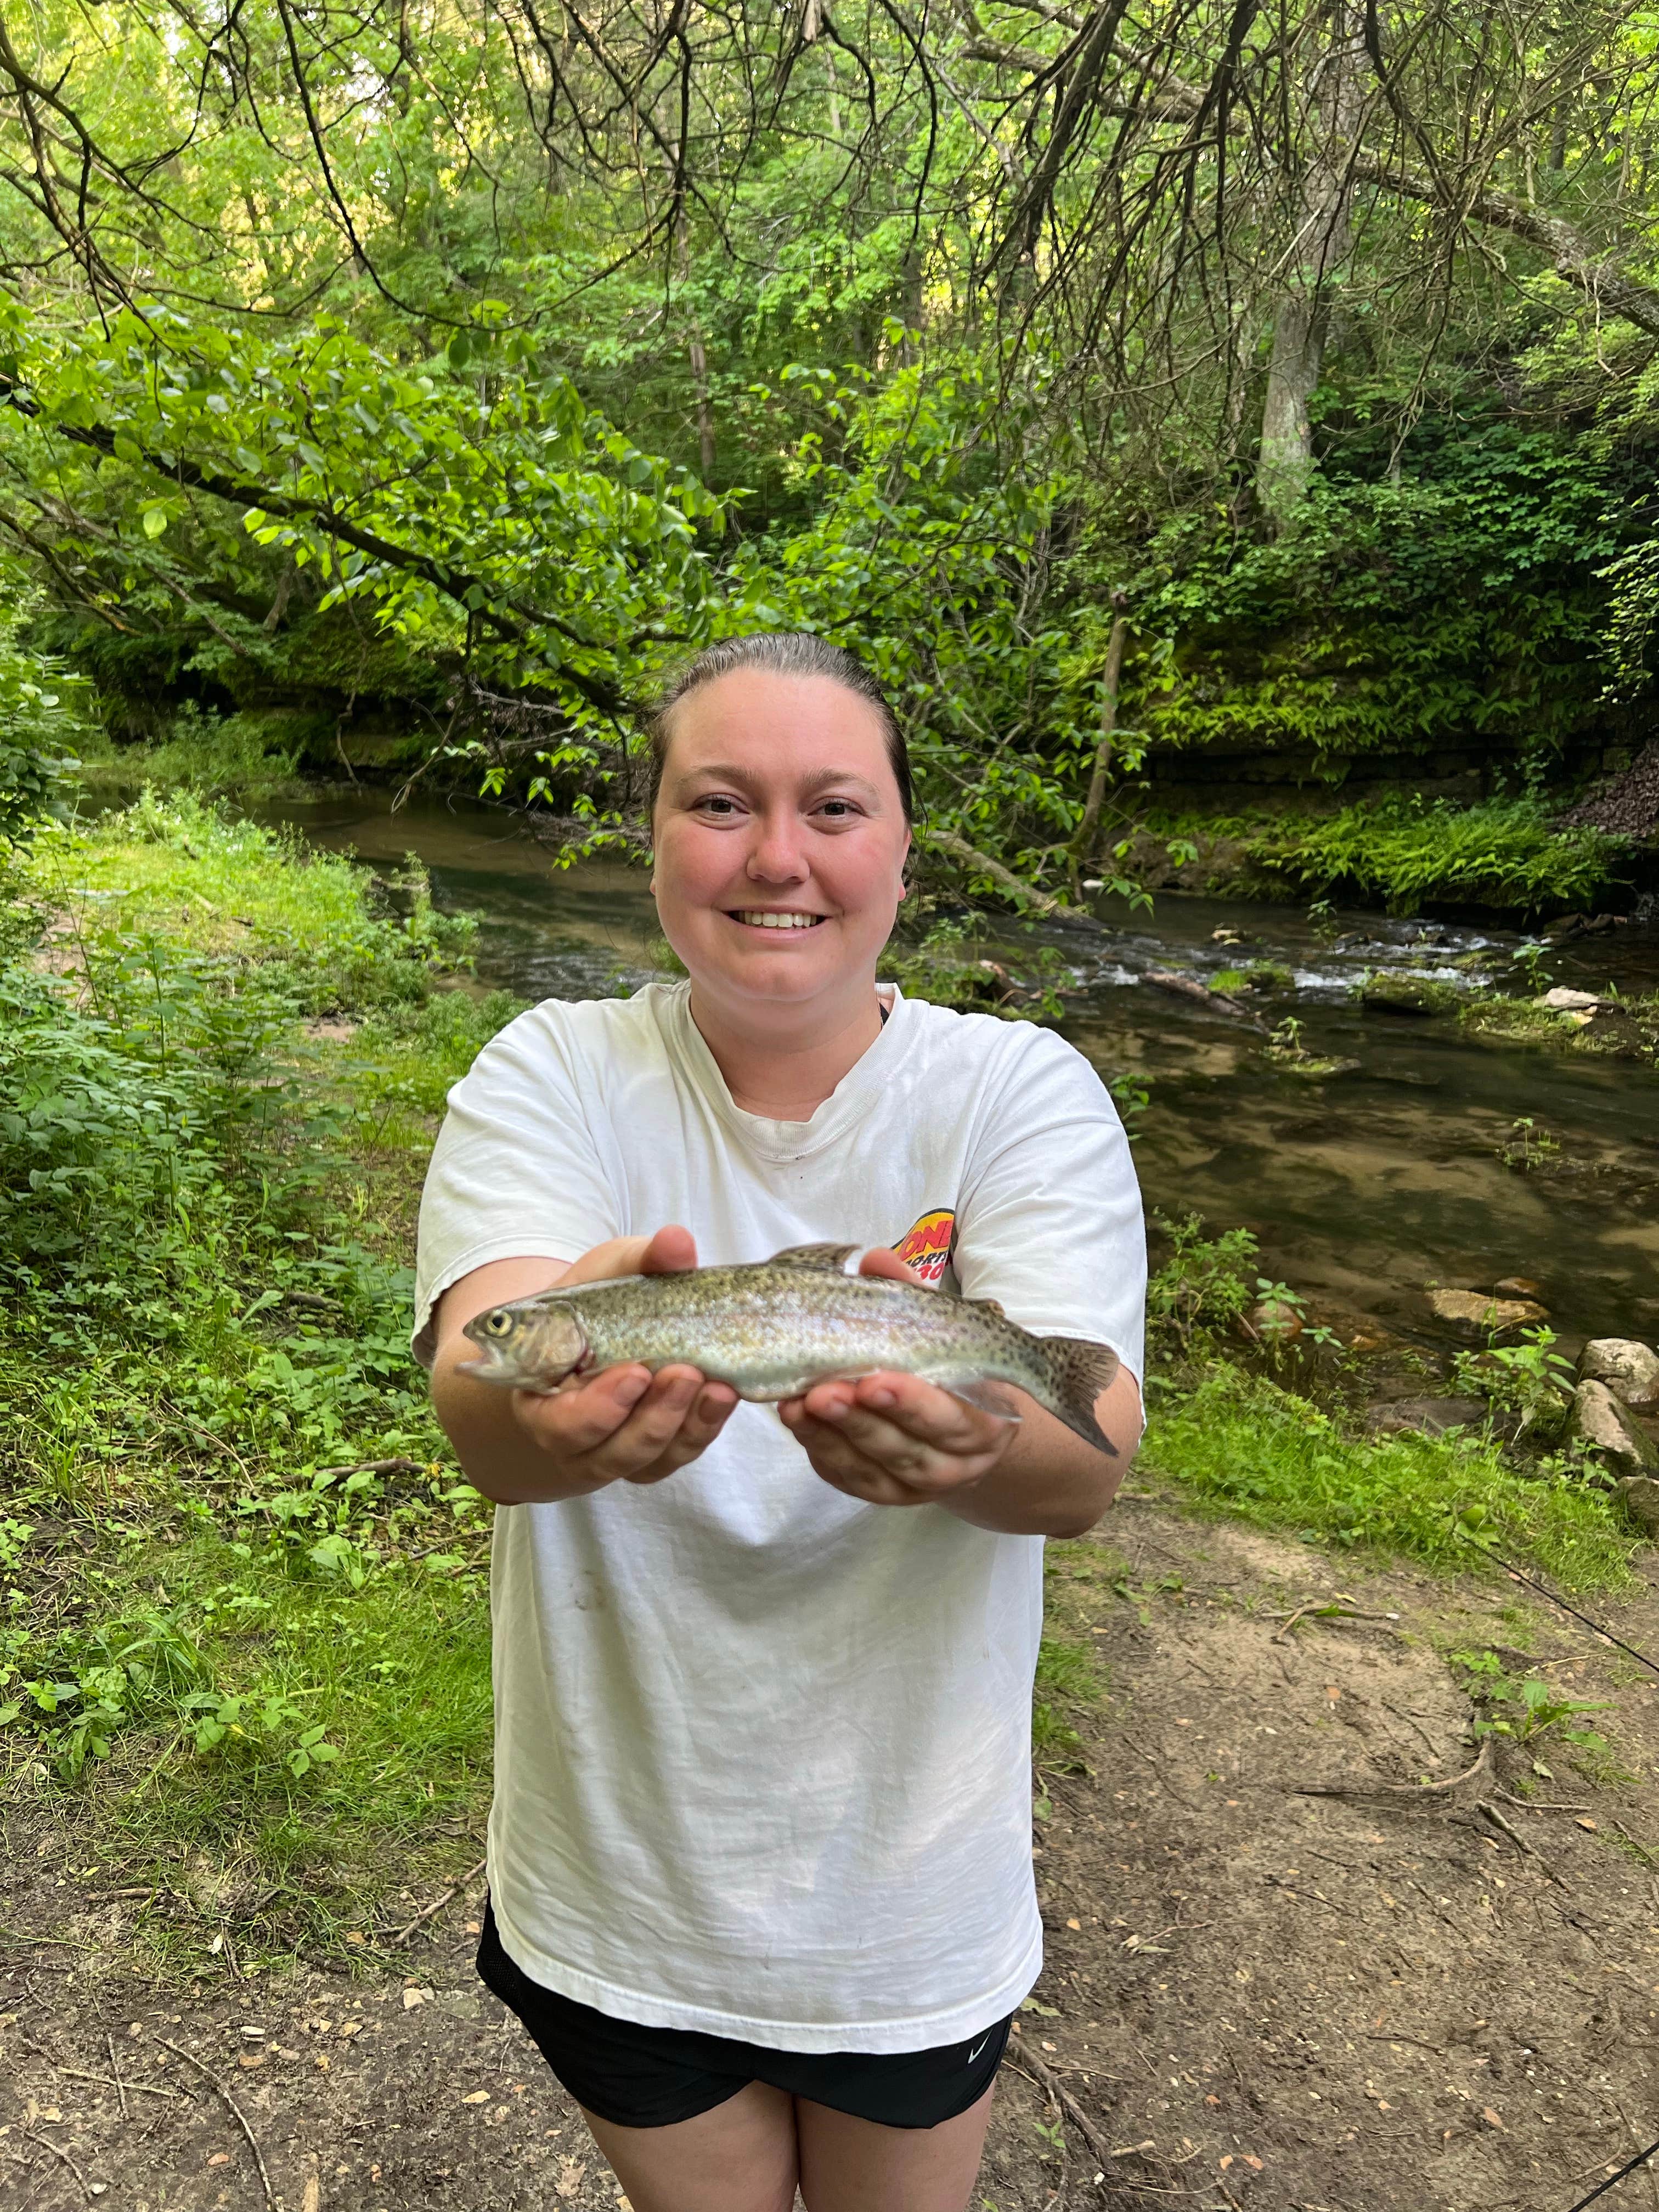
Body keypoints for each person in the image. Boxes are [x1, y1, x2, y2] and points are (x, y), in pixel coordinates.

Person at [415, 633, 1147, 2212]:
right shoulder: (548, 1072)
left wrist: (979, 1448)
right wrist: (552, 1420)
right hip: (617, 1881)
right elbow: (480, 1408)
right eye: (718, 803)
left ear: (900, 844)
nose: (776, 857)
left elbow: (1088, 1467)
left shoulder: (1022, 1092)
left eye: (833, 806)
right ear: (653, 835)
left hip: (912, 1896)